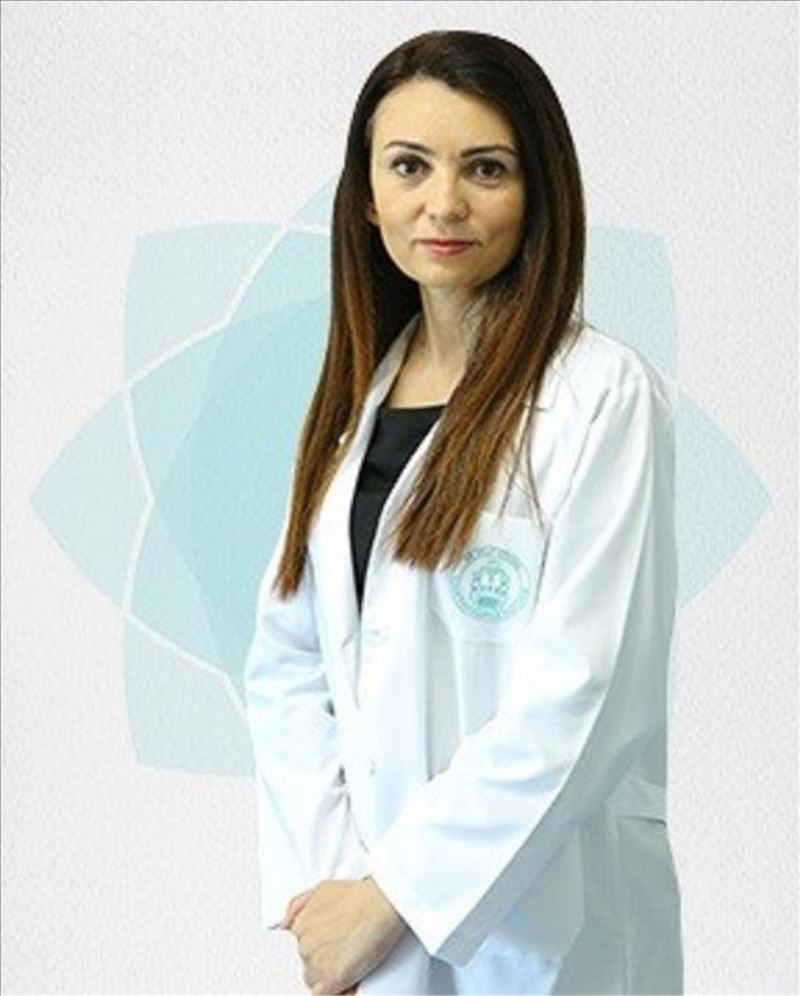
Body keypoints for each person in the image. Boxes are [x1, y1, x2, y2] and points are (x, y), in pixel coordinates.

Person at [244, 28, 683, 996]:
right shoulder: (350, 405)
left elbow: (584, 693)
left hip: (546, 933)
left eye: (485, 168)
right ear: (367, 196)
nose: (442, 203)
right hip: (372, 932)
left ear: (538, 193)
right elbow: (288, 667)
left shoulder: (598, 397)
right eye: (409, 166)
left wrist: (395, 894)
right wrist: (340, 894)